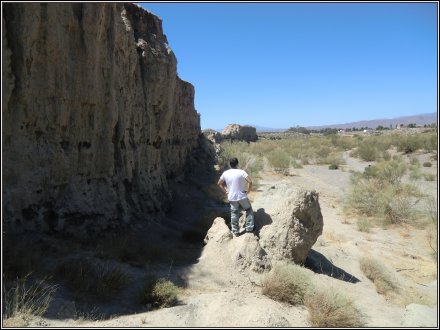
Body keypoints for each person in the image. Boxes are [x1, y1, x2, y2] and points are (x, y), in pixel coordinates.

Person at [217, 157, 254, 236]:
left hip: (232, 197)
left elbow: (219, 183)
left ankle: (235, 231)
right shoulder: (241, 172)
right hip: (241, 196)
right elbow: (250, 181)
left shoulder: (225, 173)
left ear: (230, 164)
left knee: (234, 213)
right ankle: (249, 228)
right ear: (237, 164)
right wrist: (248, 191)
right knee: (248, 209)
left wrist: (226, 191)